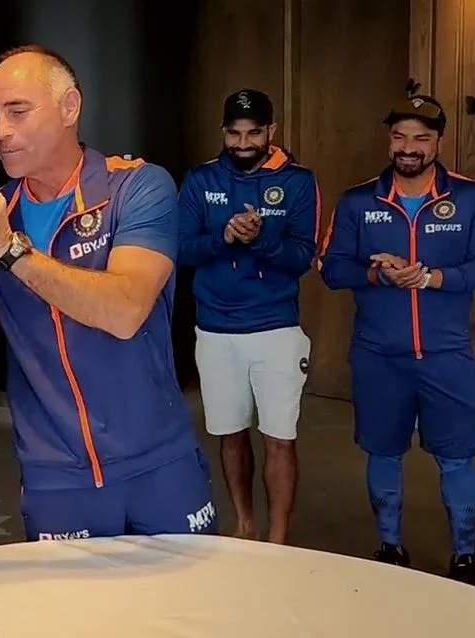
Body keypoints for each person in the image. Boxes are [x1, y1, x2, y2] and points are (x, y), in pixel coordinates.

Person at [0, 45, 217, 540]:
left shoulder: (137, 187)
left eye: (17, 111)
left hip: (157, 458)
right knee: (68, 597)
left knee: (192, 591)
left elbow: (125, 310)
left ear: (69, 106)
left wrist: (11, 249)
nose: (0, 131)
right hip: (56, 472)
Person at [318, 95, 475, 587]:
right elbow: (331, 268)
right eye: (400, 136)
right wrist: (377, 275)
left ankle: (464, 556)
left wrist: (431, 278)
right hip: (379, 356)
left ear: (439, 142)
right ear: (389, 140)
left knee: (457, 457)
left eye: (422, 137)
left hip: (446, 355)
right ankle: (390, 547)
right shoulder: (358, 201)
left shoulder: (473, 199)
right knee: (383, 452)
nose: (409, 147)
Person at [176, 89, 319, 544]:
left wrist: (259, 240)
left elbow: (302, 257)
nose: (243, 143)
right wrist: (224, 237)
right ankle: (245, 526)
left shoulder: (298, 181)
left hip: (277, 329)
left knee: (279, 437)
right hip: (215, 328)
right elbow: (180, 249)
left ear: (271, 131)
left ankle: (277, 542)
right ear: (223, 132)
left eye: (253, 133)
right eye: (234, 134)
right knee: (230, 433)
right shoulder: (200, 179)